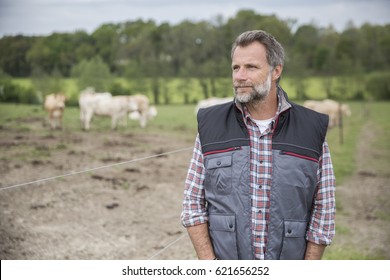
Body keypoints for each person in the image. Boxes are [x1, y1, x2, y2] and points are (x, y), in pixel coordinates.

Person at [180, 30, 336, 260]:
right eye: (235, 67)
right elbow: (192, 203)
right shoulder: (210, 125)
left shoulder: (310, 128)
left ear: (276, 71)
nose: (239, 76)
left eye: (251, 67)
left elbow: (324, 208)